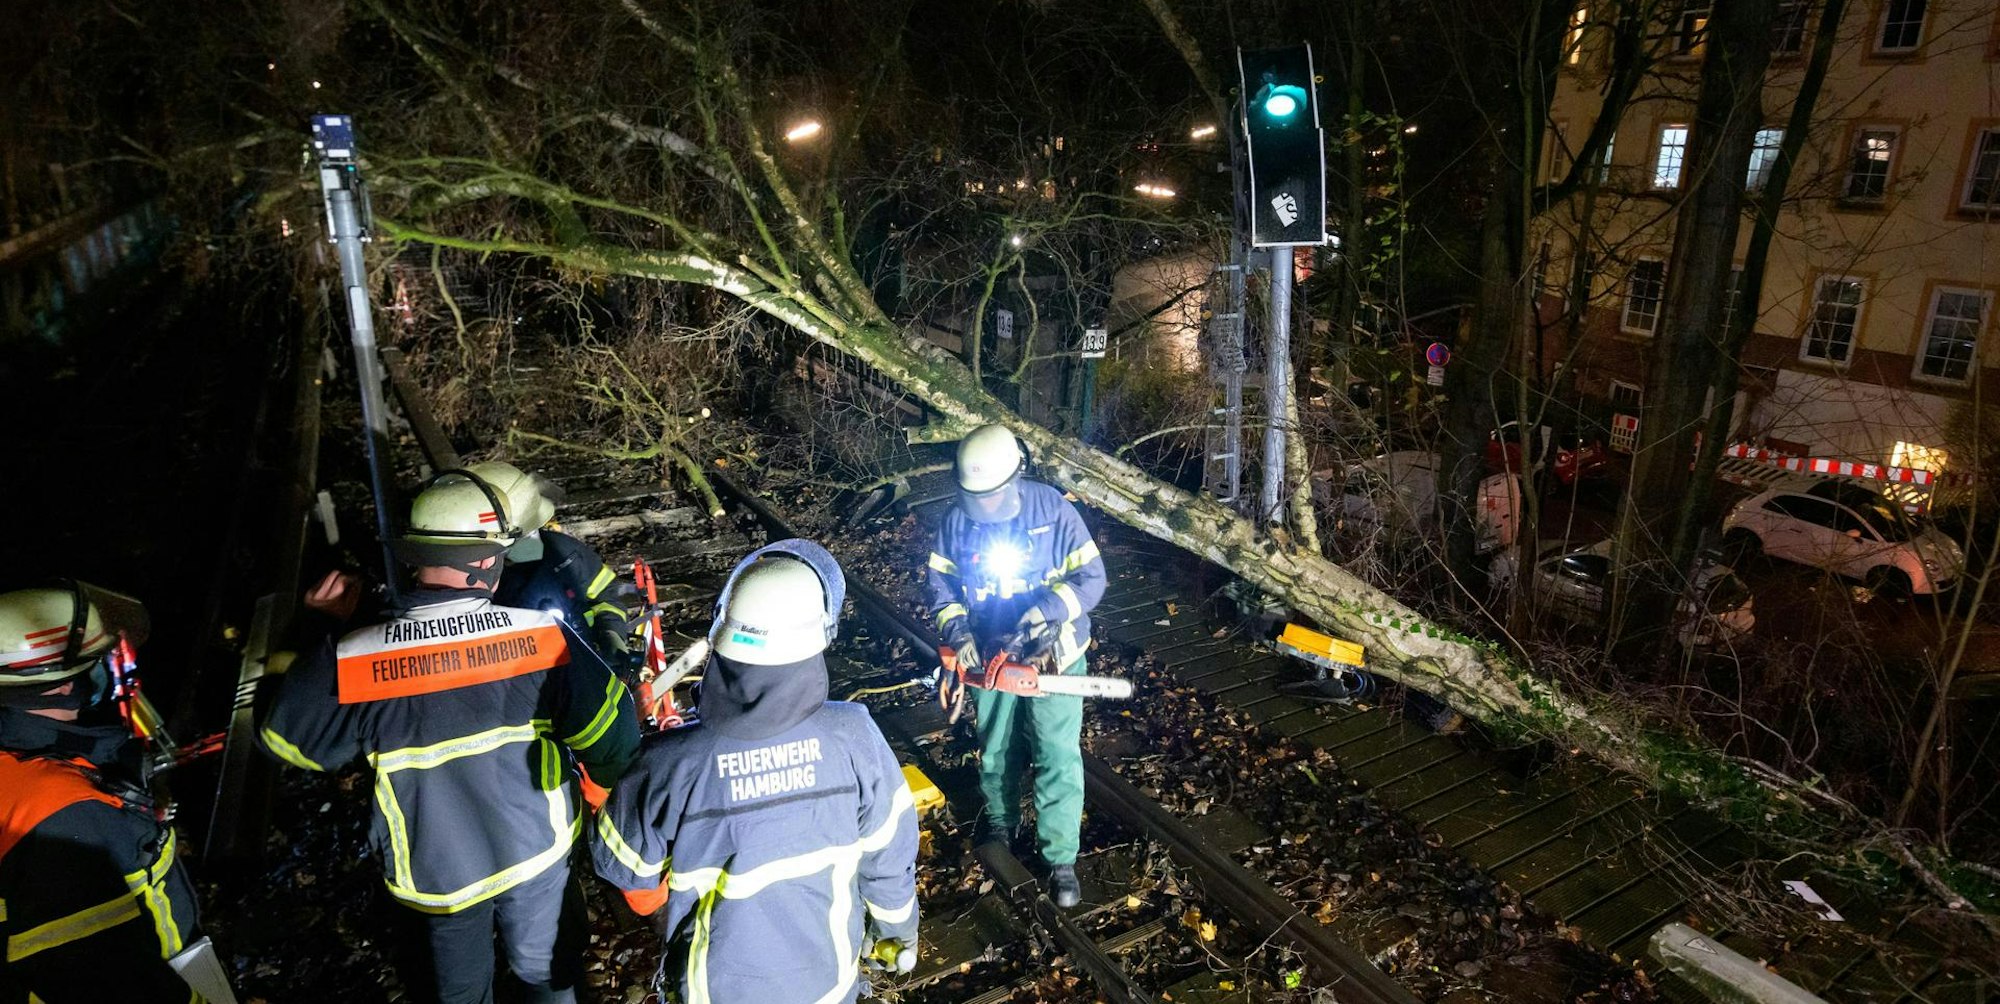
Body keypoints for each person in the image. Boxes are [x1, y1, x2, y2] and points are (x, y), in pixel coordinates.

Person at [259, 470, 639, 1004]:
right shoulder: (539, 639)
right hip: (536, 851)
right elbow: (611, 736)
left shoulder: (356, 657)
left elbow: (287, 741)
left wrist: (319, 632)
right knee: (545, 973)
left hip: (435, 871)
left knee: (456, 993)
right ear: (486, 561)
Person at [592, 540, 919, 1004]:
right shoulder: (856, 737)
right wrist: (898, 933)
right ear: (818, 640)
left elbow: (622, 868)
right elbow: (889, 865)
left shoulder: (668, 762)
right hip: (829, 988)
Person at [0, 582, 210, 1003]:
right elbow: (110, 981)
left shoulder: (22, 766)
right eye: (95, 661)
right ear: (62, 685)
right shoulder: (68, 813)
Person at [926, 425, 1105, 908]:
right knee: (997, 744)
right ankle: (1003, 822)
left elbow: (1092, 578)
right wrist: (958, 631)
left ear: (1017, 475)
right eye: (975, 498)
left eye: (994, 497)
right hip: (989, 654)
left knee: (1056, 753)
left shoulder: (1053, 510)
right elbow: (940, 584)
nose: (984, 507)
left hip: (1056, 654)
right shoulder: (955, 523)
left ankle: (1060, 857)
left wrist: (1048, 612)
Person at [473, 461, 640, 672]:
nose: (532, 538)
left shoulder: (564, 551)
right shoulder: (472, 578)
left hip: (584, 662)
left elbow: (605, 594)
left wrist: (611, 634)